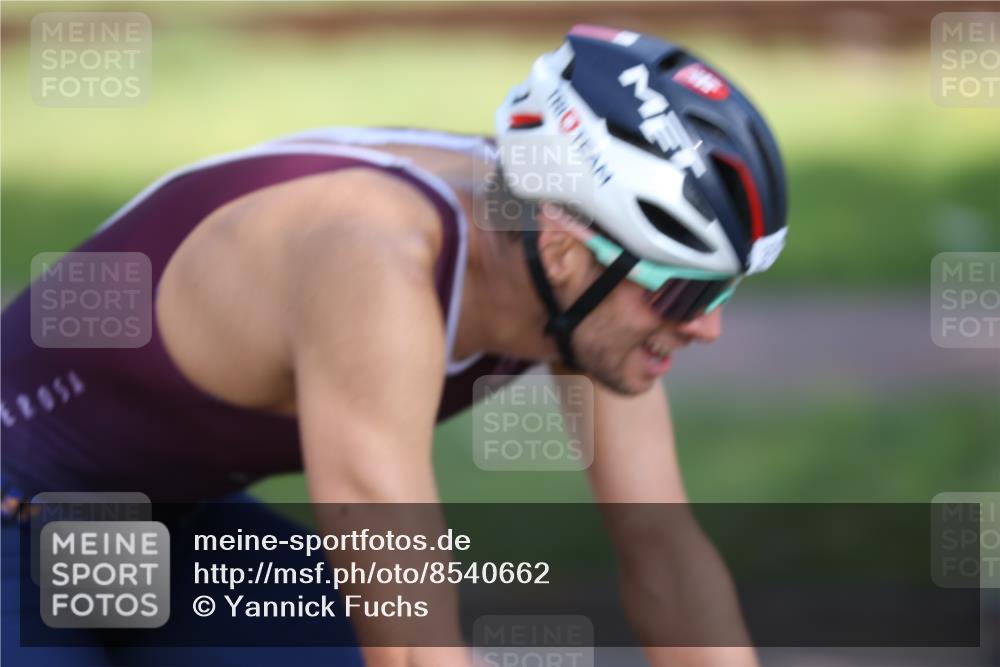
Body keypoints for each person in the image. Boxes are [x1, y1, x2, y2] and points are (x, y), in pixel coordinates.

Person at [1, 24, 787, 667]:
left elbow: (662, 547)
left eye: (720, 292)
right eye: (681, 291)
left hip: (168, 520)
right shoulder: (376, 262)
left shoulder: (569, 279)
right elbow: (410, 639)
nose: (704, 325)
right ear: (563, 244)